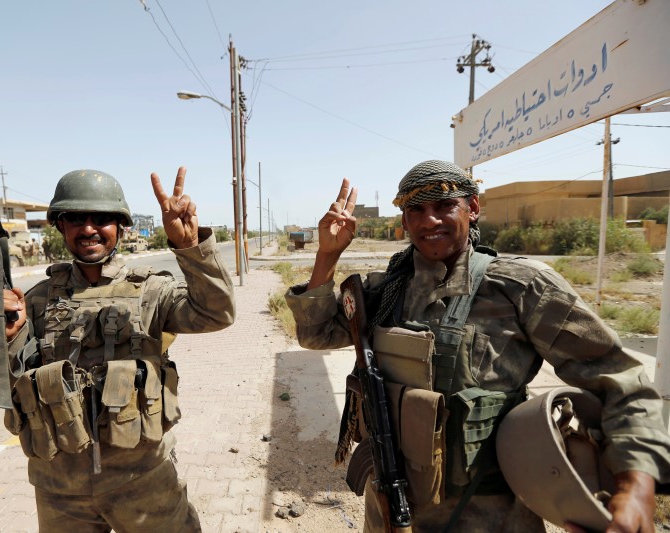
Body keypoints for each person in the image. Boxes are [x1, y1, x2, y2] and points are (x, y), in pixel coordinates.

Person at [285, 160, 670, 533]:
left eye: (444, 205)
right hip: (390, 506)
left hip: (489, 516)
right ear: (405, 221)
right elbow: (316, 333)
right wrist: (327, 255)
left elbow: (621, 380)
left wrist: (635, 487)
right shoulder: (386, 289)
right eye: (416, 210)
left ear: (472, 208)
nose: (429, 220)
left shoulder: (521, 286)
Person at [0, 168, 235, 532]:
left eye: (102, 218)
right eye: (76, 218)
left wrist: (190, 248)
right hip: (60, 487)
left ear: (121, 227)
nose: (89, 228)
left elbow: (216, 313)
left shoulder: (152, 292)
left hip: (142, 478)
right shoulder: (34, 301)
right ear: (60, 227)